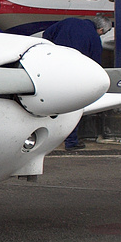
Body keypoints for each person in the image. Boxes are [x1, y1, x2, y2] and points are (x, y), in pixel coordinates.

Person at [42, 16, 106, 150]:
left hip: (51, 68)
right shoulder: (94, 38)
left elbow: (46, 34)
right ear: (100, 29)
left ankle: (45, 139)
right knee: (72, 108)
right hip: (72, 75)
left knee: (48, 104)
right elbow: (95, 65)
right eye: (103, 33)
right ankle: (71, 142)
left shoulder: (69, 21)